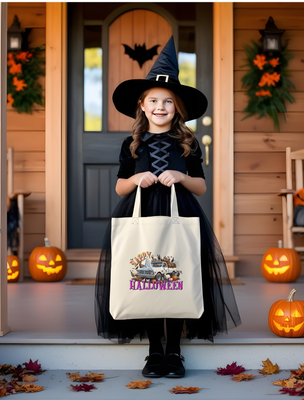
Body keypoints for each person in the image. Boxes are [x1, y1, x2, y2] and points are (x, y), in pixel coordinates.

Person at [95, 36, 241, 379]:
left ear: (178, 108)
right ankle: (153, 351)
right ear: (142, 106)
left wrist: (180, 175)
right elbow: (119, 185)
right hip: (142, 212)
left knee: (175, 277)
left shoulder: (187, 143)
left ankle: (174, 350)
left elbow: (201, 186)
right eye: (153, 101)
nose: (161, 107)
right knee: (145, 279)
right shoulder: (131, 144)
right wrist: (137, 179)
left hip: (181, 214)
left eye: (168, 102)